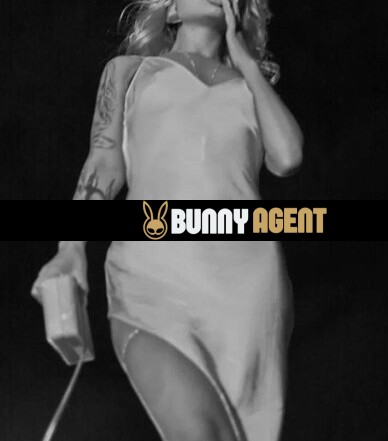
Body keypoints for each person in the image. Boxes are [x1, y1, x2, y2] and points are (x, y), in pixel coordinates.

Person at [32, 0, 303, 440]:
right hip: (151, 276)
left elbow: (288, 157)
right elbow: (103, 164)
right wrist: (70, 248)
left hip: (247, 289)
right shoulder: (129, 72)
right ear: (172, 9)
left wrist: (247, 63)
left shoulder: (251, 89)